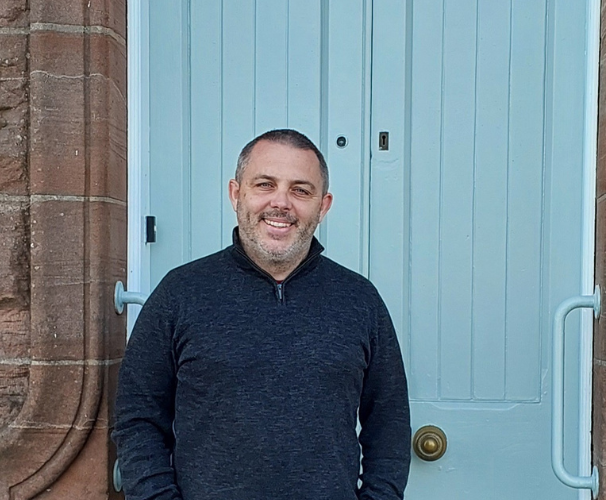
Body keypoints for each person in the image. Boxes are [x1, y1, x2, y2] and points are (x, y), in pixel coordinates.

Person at [112, 129, 411, 500]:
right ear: (236, 194)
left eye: (301, 190)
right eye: (265, 184)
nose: (281, 203)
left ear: (324, 205)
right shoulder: (181, 293)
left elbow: (390, 425)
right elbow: (137, 418)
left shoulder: (359, 301)